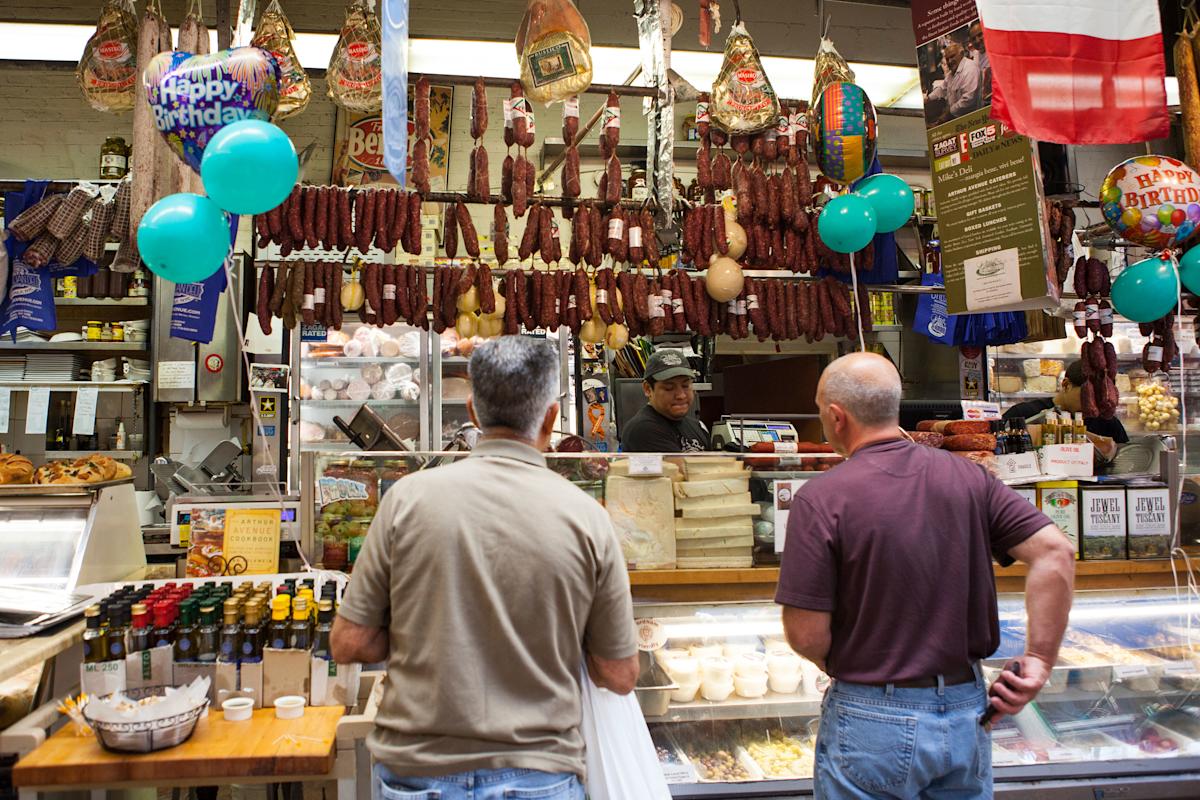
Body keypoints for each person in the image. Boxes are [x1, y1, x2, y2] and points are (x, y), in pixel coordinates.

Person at [332, 336, 639, 800]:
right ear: (551, 418)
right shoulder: (588, 518)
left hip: (416, 773)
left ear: (473, 413)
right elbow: (619, 674)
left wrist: (427, 633)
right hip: (540, 776)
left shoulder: (406, 499)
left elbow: (348, 642)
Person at [776, 353, 1076, 799]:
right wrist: (1039, 661)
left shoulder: (821, 498)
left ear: (836, 417)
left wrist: (851, 663)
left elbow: (805, 634)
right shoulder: (970, 478)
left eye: (822, 413)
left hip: (870, 715)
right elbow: (1055, 552)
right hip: (965, 709)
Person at [1003, 359, 1129, 452]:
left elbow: (1125, 458)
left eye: (1100, 398)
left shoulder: (1108, 423)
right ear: (1066, 385)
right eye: (1088, 396)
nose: (1094, 405)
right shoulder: (1023, 414)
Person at [620, 349, 711, 452]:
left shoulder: (698, 427)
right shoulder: (642, 429)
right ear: (648, 389)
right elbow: (675, 467)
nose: (681, 395)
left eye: (685, 386)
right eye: (669, 388)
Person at [925, 42, 983, 124]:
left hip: (972, 120)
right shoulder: (951, 74)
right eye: (947, 59)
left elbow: (969, 99)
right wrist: (928, 98)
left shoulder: (970, 69)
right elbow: (942, 89)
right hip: (957, 119)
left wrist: (948, 113)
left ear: (961, 54)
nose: (949, 61)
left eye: (952, 56)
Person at [969, 22, 992, 104]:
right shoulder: (975, 54)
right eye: (973, 38)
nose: (977, 40)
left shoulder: (996, 51)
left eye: (980, 35)